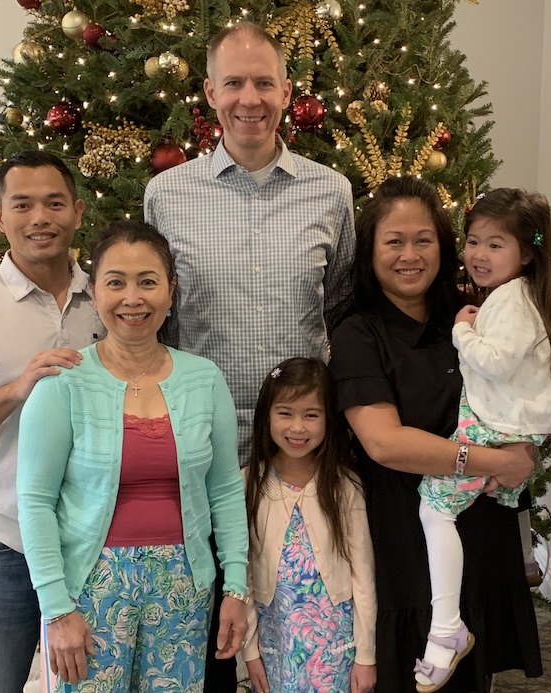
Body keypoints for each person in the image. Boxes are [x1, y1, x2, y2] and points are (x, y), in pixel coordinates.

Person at [144, 22, 355, 688]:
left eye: (265, 82)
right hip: (205, 452)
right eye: (233, 82)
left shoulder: (332, 192)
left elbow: (340, 308)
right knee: (209, 636)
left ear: (288, 91)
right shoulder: (167, 195)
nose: (250, 98)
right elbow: (155, 320)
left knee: (299, 635)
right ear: (210, 93)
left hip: (300, 455)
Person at [328, 175, 542, 693]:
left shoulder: (473, 314)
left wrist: (524, 446)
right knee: (409, 675)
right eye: (394, 242)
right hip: (403, 529)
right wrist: (497, 462)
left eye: (423, 240)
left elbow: (524, 385)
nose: (410, 255)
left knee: (472, 678)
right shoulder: (358, 332)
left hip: (480, 526)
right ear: (370, 251)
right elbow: (385, 443)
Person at [16, 220, 249, 691]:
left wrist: (236, 586)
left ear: (171, 290)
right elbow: (35, 501)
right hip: (89, 589)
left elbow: (225, 490)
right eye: (116, 282)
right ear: (94, 290)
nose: (132, 298)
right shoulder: (64, 383)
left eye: (147, 282)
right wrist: (56, 610)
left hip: (185, 587)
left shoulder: (204, 379)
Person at [0, 151, 97, 693]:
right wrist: (16, 389)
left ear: (77, 211)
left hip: (95, 535)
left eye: (55, 203)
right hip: (6, 539)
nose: (40, 219)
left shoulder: (111, 297)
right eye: (23, 205)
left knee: (92, 681)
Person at [414, 189, 551, 691]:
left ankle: (446, 629)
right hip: (505, 423)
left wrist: (462, 331)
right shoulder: (517, 295)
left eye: (495, 244)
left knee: (435, 508)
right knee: (455, 506)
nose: (479, 254)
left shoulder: (510, 300)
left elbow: (496, 363)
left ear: (526, 253)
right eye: (473, 241)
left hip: (496, 425)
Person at [241, 357, 376, 693]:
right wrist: (250, 651)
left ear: (329, 418)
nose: (297, 428)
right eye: (285, 413)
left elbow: (363, 575)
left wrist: (366, 655)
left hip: (336, 649)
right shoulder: (249, 483)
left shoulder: (344, 486)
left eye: (311, 415)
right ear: (267, 416)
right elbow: (244, 575)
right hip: (276, 646)